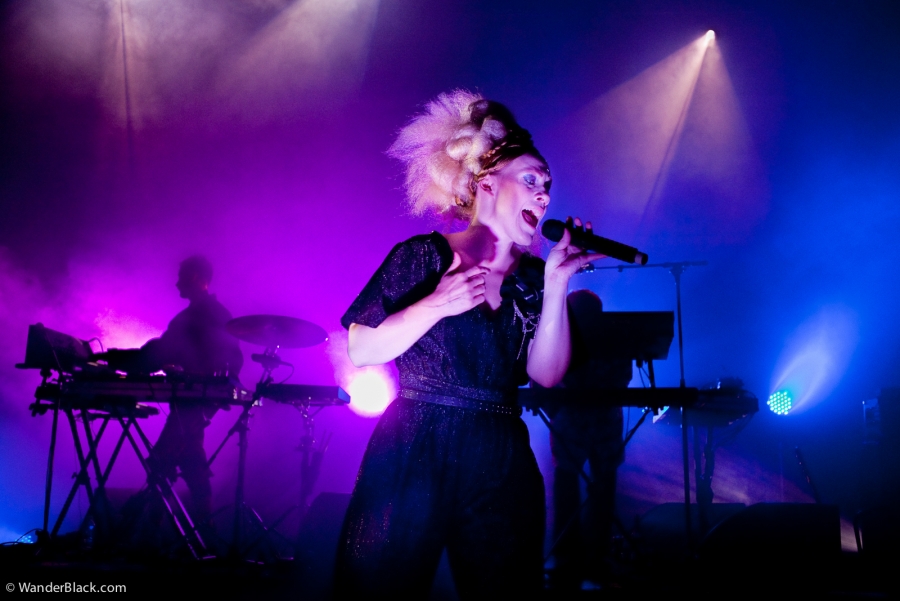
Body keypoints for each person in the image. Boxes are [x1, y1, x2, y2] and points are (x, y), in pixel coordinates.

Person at [334, 91, 600, 596]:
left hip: (501, 453)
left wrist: (557, 284)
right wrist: (436, 304)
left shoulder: (533, 279)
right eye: (531, 180)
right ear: (486, 183)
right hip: (415, 442)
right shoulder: (425, 256)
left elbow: (547, 375)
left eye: (548, 186)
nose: (544, 195)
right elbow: (363, 350)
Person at [120, 255, 243, 530]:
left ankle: (153, 533)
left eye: (181, 277)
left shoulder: (200, 316)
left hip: (196, 399)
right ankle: (204, 533)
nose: (176, 283)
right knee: (190, 459)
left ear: (196, 277)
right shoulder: (211, 314)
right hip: (196, 398)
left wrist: (113, 360)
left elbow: (158, 355)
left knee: (162, 460)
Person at [548, 289, 632, 591]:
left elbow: (545, 374)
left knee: (568, 485)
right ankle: (595, 556)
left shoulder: (562, 334)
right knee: (601, 486)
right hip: (601, 419)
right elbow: (624, 377)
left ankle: (568, 556)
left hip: (573, 418)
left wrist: (554, 401)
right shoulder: (613, 338)